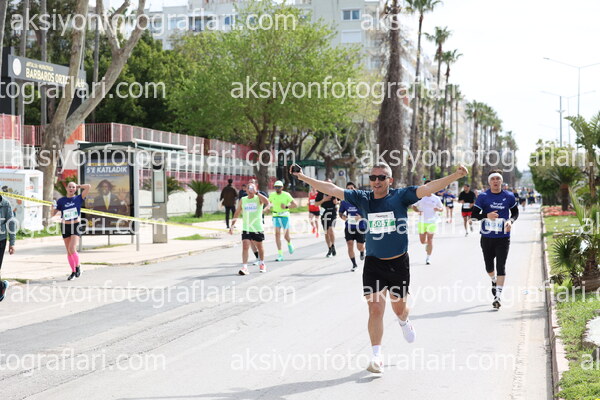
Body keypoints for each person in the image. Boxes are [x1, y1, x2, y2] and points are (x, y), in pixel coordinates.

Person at [291, 162, 468, 374]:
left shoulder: (401, 196)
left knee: (399, 309)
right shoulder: (362, 198)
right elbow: (332, 189)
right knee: (375, 308)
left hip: (398, 262)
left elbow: (429, 188)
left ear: (389, 180)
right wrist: (303, 178)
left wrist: (455, 175)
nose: (376, 181)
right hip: (374, 262)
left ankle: (404, 321)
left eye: (381, 177)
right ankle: (377, 356)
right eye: (373, 177)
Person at [471, 170, 519, 310]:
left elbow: (515, 212)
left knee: (501, 266)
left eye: (498, 179)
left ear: (501, 181)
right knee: (489, 267)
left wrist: (510, 221)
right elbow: (474, 215)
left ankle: (497, 297)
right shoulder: (483, 197)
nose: (496, 181)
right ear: (489, 182)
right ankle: (493, 280)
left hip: (503, 238)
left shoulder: (509, 196)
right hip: (487, 237)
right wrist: (487, 215)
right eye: (493, 179)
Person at [229, 183, 270, 275]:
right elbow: (237, 212)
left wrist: (257, 193)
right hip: (246, 227)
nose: (250, 189)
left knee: (260, 247)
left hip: (257, 227)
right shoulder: (243, 200)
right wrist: (232, 226)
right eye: (248, 188)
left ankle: (262, 263)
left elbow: (267, 202)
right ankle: (245, 267)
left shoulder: (258, 198)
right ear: (246, 190)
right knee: (245, 245)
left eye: (252, 187)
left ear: (255, 189)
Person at [53, 182, 91, 280]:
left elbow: (88, 187)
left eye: (73, 187)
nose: (71, 188)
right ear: (66, 188)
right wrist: (53, 207)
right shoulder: (61, 201)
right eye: (69, 187)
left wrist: (79, 186)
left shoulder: (78, 198)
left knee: (72, 248)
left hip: (76, 225)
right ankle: (73, 272)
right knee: (69, 251)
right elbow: (53, 213)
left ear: (75, 189)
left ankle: (78, 267)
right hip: (65, 226)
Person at [412, 181, 444, 265]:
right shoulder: (420, 197)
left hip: (432, 221)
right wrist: (418, 211)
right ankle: (427, 245)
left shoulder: (436, 198)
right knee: (422, 241)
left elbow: (442, 208)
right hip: (422, 222)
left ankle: (428, 258)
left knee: (430, 240)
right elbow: (413, 206)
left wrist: (438, 209)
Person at [338, 182, 366, 271]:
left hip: (360, 227)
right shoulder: (344, 201)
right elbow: (340, 212)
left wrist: (361, 217)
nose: (350, 190)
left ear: (355, 189)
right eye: (348, 189)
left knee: (359, 247)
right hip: (349, 227)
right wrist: (342, 216)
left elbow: (367, 211)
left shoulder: (360, 200)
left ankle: (362, 251)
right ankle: (354, 264)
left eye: (352, 188)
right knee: (350, 244)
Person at [268, 180, 297, 262]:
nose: (277, 188)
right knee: (277, 234)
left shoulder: (286, 195)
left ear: (282, 187)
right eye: (276, 187)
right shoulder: (272, 195)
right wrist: (267, 208)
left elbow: (295, 204)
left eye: (279, 187)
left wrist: (286, 206)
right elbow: (268, 203)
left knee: (286, 236)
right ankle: (280, 254)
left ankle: (289, 243)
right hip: (276, 216)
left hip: (285, 216)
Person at [314, 179, 339, 257]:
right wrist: (323, 200)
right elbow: (316, 204)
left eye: (330, 183)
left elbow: (341, 200)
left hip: (332, 213)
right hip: (324, 213)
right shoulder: (320, 192)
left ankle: (333, 246)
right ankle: (329, 248)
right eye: (326, 183)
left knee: (331, 229)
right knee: (326, 233)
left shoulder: (335, 191)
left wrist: (337, 202)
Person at [0, 194, 16, 302]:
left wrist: (12, 242)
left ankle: (2, 287)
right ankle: (2, 286)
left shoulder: (5, 204)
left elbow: (11, 223)